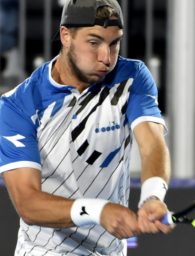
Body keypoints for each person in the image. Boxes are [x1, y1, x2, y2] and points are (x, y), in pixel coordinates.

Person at [0, 0, 172, 255]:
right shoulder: (18, 105)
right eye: (94, 42)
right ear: (65, 36)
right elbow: (28, 203)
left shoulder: (132, 76)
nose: (106, 57)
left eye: (114, 43)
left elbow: (153, 144)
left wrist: (152, 195)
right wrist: (98, 210)